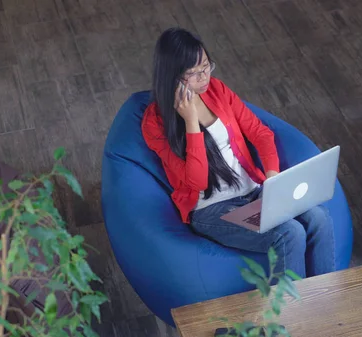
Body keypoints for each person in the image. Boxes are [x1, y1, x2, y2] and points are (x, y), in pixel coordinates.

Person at [141, 27, 335, 278]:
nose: (204, 77)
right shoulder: (155, 123)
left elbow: (260, 133)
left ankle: (327, 304)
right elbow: (197, 181)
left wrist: (273, 177)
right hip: (212, 209)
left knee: (319, 218)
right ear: (173, 76)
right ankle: (294, 316)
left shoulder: (217, 90)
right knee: (290, 234)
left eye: (206, 66)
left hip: (252, 192)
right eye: (193, 73)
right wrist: (190, 122)